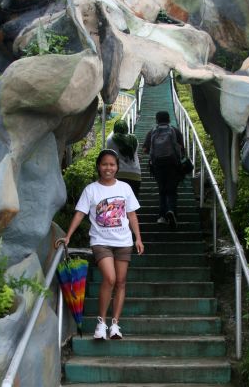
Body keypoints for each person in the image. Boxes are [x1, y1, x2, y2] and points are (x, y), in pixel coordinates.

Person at [62, 149, 144, 340]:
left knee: (121, 282)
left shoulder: (125, 188)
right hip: (100, 241)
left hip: (123, 241)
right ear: (99, 166)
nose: (108, 168)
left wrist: (138, 238)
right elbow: (80, 213)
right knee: (110, 278)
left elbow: (131, 215)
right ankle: (101, 323)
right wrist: (68, 236)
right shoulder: (91, 189)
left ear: (117, 167)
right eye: (105, 164)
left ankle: (115, 325)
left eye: (112, 164)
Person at [142, 110, 185, 229]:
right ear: (169, 119)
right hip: (173, 164)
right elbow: (181, 148)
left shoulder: (152, 131)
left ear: (157, 120)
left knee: (162, 189)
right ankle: (171, 210)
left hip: (157, 165)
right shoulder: (174, 131)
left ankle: (162, 216)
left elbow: (145, 150)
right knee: (172, 189)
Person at [106, 118, 141, 198]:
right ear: (127, 129)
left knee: (118, 204)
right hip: (135, 175)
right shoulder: (134, 139)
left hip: (119, 175)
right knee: (132, 204)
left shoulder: (110, 140)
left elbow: (112, 135)